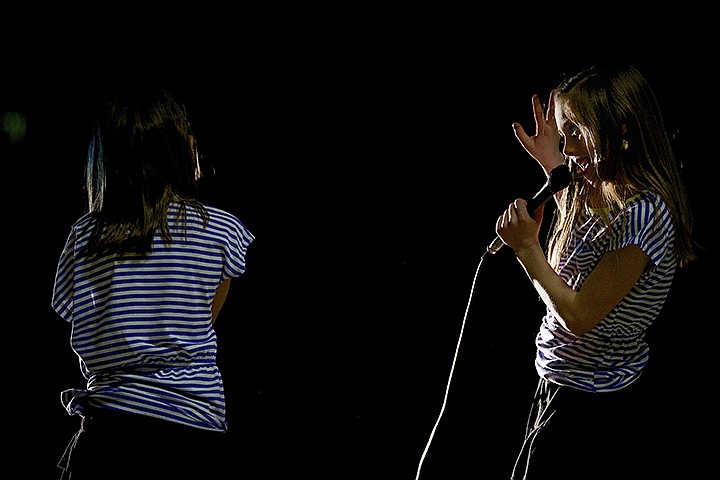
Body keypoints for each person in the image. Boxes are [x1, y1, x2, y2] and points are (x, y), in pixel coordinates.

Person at [494, 62, 696, 479]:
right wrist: (552, 167)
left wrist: (527, 250)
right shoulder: (595, 186)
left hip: (590, 401)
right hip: (557, 380)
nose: (568, 148)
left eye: (577, 132)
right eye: (564, 134)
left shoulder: (645, 214)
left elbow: (580, 315)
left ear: (622, 128)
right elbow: (574, 264)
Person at [52, 86, 255, 479]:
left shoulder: (83, 235)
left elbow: (71, 313)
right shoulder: (222, 230)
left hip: (110, 428)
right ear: (177, 147)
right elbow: (203, 319)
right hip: (194, 427)